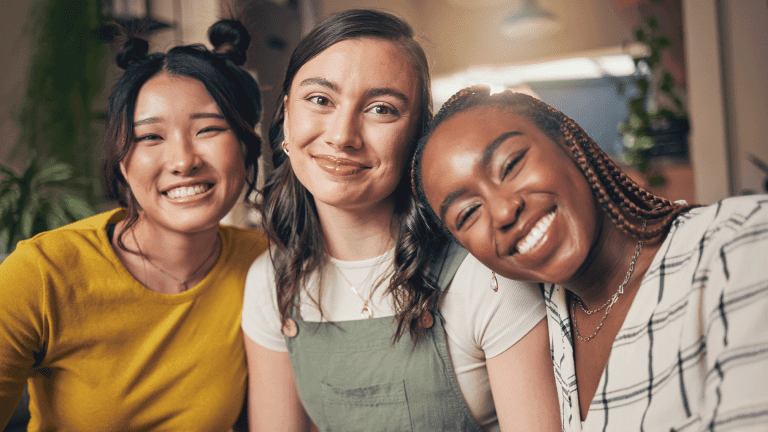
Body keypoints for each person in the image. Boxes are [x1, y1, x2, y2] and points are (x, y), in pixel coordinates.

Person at [241, 9, 559, 432]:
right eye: (320, 100)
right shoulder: (270, 284)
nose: (342, 135)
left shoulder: (486, 276)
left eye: (381, 109)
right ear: (285, 115)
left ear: (417, 135)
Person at [412, 85, 768, 431]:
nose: (504, 211)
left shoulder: (738, 244)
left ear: (569, 142)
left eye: (512, 164)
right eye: (468, 213)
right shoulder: (548, 316)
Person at [0, 20, 268, 431]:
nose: (183, 161)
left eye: (209, 129)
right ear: (123, 161)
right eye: (150, 137)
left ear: (247, 148)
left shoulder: (265, 264)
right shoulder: (40, 273)